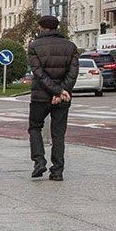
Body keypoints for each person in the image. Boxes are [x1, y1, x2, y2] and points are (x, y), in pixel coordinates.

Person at [27, 15, 79, 181]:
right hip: (63, 97)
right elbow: (73, 73)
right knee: (58, 134)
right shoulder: (71, 47)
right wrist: (62, 91)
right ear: (57, 28)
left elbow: (39, 74)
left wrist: (55, 91)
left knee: (35, 127)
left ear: (41, 28)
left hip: (40, 96)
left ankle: (39, 161)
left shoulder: (34, 46)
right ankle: (57, 170)